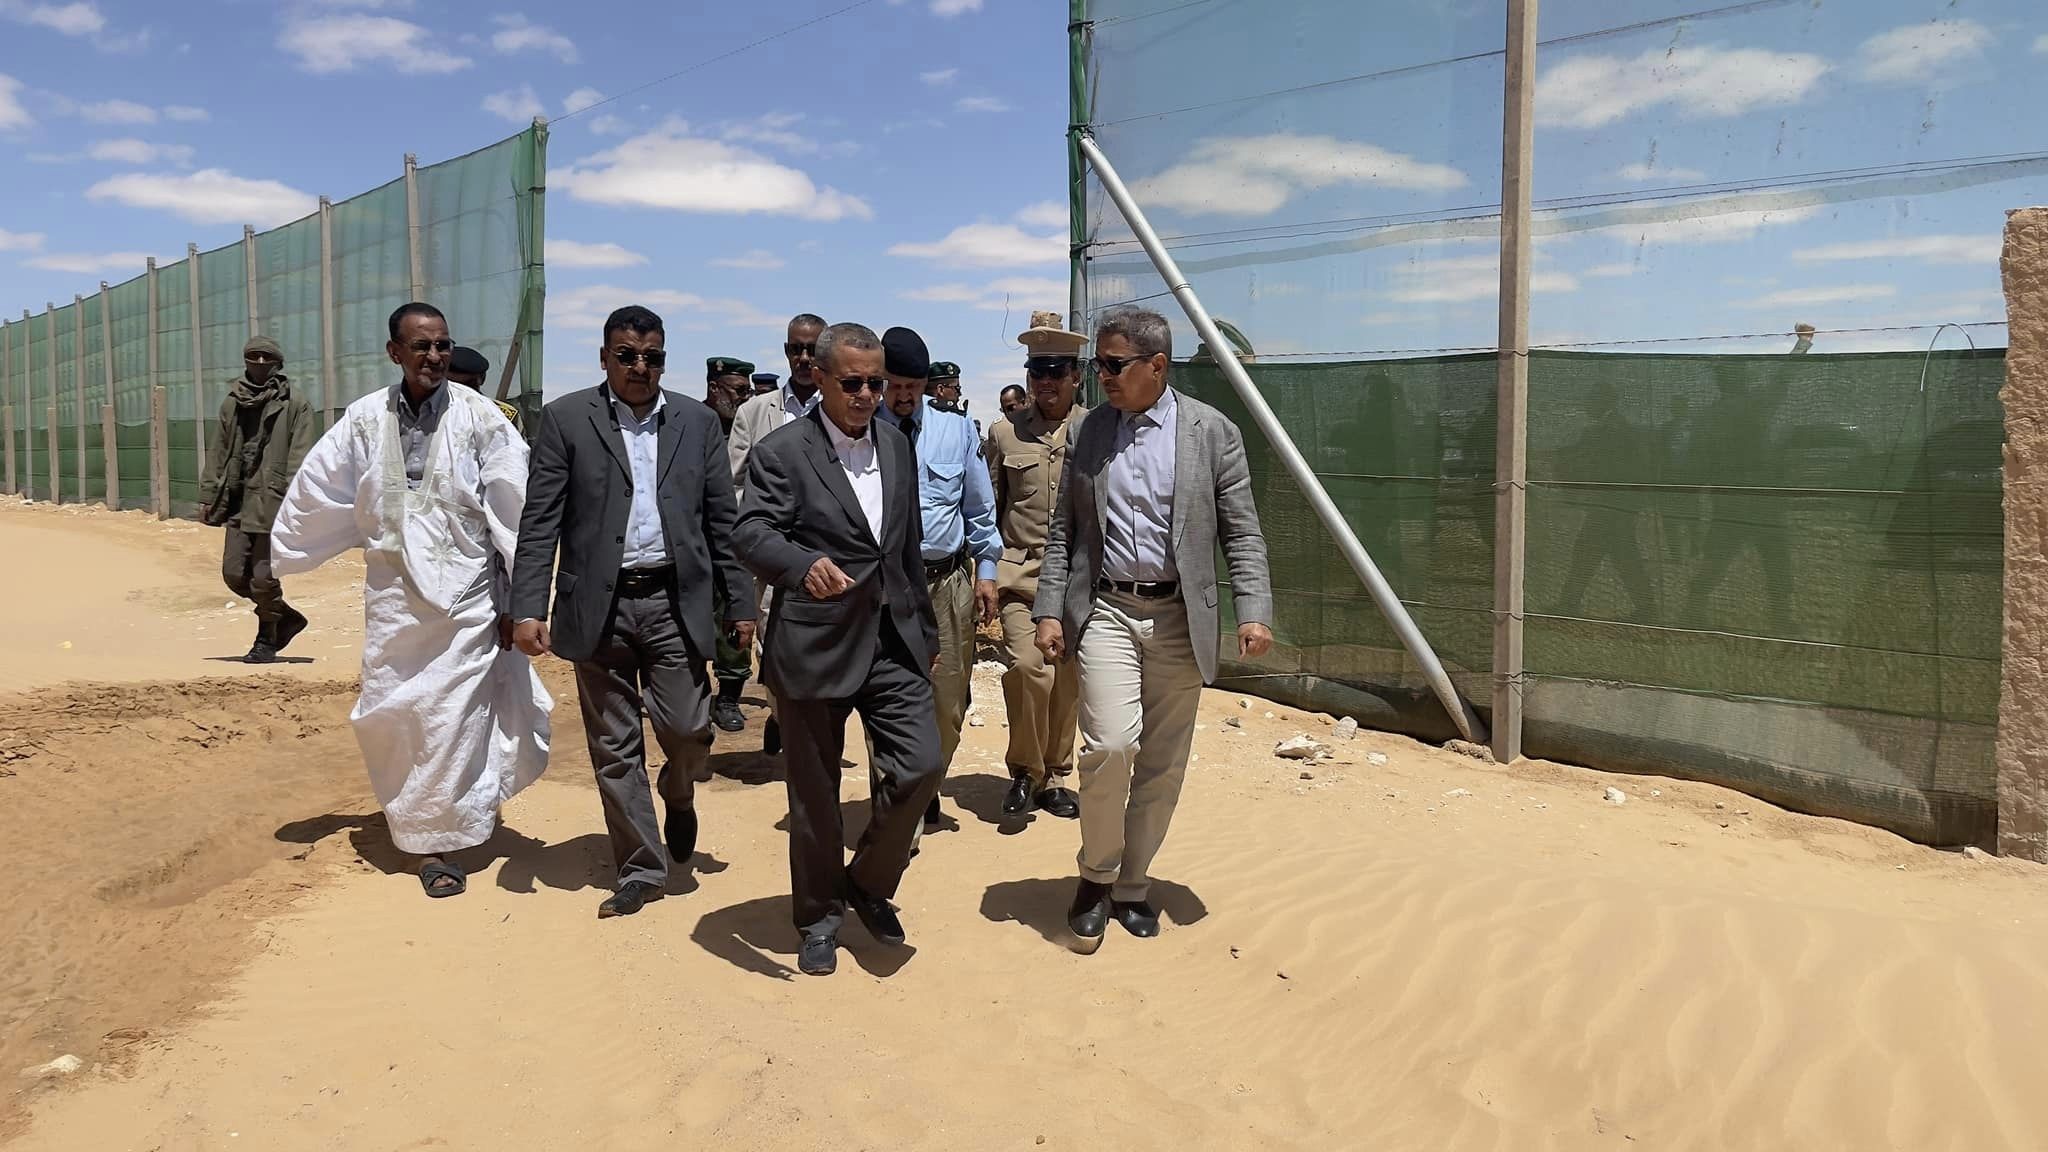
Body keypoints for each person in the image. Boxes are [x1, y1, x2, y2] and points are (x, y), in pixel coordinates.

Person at [271, 302, 551, 899]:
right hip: (394, 601)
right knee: (394, 716)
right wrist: (283, 556)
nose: (434, 357)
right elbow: (319, 490)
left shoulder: (481, 419)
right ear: (395, 352)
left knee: (452, 719)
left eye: (443, 346)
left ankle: (437, 846)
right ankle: (431, 820)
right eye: (421, 346)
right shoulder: (365, 419)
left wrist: (521, 601)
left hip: (468, 601)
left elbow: (515, 513)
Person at [1033, 306, 1274, 952]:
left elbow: (1242, 531)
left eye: (1113, 365)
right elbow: (1064, 532)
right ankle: (1095, 875)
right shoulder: (1090, 435)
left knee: (1163, 764)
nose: (1101, 377)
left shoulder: (1213, 434)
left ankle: (1132, 885)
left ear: (1156, 366)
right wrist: (1050, 608)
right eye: (1098, 365)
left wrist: (1253, 609)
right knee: (1110, 746)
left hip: (1178, 618)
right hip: (1108, 607)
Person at [510, 308, 755, 918]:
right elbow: (540, 523)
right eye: (627, 355)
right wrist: (527, 607)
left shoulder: (697, 422)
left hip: (675, 602)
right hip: (598, 607)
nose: (640, 367)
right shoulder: (567, 420)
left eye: (652, 357)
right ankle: (641, 867)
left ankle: (679, 790)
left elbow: (722, 520)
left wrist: (741, 602)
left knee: (689, 731)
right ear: (604, 358)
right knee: (614, 746)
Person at [731, 322, 942, 977]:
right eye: (851, 382)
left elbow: (903, 550)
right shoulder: (782, 452)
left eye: (875, 382)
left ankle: (869, 883)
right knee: (816, 799)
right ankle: (818, 916)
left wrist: (925, 630)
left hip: (892, 641)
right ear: (819, 378)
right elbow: (750, 532)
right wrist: (800, 564)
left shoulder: (898, 444)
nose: (866, 394)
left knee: (921, 767)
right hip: (816, 645)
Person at [878, 327, 1000, 837]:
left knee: (949, 704)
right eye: (894, 385)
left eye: (913, 386)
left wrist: (987, 572)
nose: (903, 396)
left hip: (946, 583)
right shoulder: (860, 430)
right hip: (885, 589)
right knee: (886, 703)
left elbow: (978, 508)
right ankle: (896, 812)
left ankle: (927, 785)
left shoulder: (956, 432)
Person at [987, 312, 1089, 819]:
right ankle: (1026, 772)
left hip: (1077, 581)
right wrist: (986, 573)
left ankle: (1056, 775)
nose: (1046, 382)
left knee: (1065, 678)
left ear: (1076, 376)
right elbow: (990, 509)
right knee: (1030, 669)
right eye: (1037, 371)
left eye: (1057, 371)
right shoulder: (1004, 434)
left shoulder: (1097, 431)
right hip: (1019, 578)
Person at [728, 314, 827, 758]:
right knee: (775, 647)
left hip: (830, 554)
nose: (803, 359)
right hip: (775, 558)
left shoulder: (844, 406)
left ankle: (806, 725)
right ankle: (783, 714)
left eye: (811, 349)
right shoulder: (754, 413)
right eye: (795, 349)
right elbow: (733, 485)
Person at [199, 334, 315, 664]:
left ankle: (266, 639)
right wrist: (209, 493)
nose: (260, 363)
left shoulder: (296, 403)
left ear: (278, 363)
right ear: (245, 361)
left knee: (264, 576)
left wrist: (295, 499)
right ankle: (286, 617)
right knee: (234, 574)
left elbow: (301, 454)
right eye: (254, 357)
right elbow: (218, 450)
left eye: (267, 357)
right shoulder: (232, 401)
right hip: (238, 496)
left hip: (274, 499)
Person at [705, 355, 757, 733]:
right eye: (738, 391)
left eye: (748, 391)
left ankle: (728, 695)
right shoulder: (692, 426)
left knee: (734, 613)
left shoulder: (751, 426)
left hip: (736, 542)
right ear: (714, 388)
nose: (745, 398)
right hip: (695, 541)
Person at [447, 345, 523, 433]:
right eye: (453, 386)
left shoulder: (504, 416)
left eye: (466, 385)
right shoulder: (431, 414)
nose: (461, 392)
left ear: (482, 379)